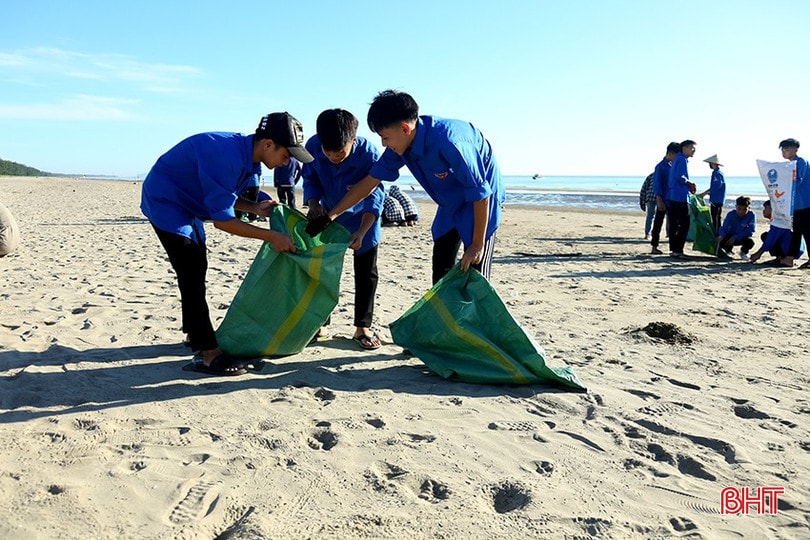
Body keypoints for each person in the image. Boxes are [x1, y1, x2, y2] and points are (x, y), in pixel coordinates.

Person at [140, 112, 314, 375]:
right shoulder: (225, 155)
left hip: (192, 202)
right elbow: (224, 222)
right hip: (166, 200)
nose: (286, 162)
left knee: (198, 267)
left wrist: (255, 207)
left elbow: (225, 197)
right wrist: (271, 236)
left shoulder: (251, 159)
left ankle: (194, 335)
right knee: (191, 269)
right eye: (286, 155)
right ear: (268, 144)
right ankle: (209, 353)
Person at [306, 89, 504, 284]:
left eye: (385, 137)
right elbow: (368, 183)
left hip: (482, 204)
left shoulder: (450, 142)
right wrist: (330, 216)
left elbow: (480, 193)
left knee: (477, 275)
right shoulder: (400, 146)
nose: (383, 144)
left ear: (404, 128)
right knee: (441, 269)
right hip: (450, 203)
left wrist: (478, 244)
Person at [302, 108, 385, 350]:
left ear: (354, 141)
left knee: (366, 272)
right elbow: (310, 178)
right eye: (327, 152)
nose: (332, 157)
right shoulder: (313, 146)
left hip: (363, 219)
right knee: (324, 270)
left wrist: (362, 231)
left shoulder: (368, 154)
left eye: (339, 152)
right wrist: (314, 204)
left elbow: (375, 196)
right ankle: (321, 323)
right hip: (329, 216)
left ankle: (362, 326)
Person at [780, 138, 810, 268]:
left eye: (786, 149)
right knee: (797, 232)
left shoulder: (801, 162)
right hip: (797, 205)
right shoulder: (789, 165)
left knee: (807, 232)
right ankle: (790, 258)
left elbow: (798, 180)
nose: (783, 151)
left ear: (795, 149)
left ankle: (791, 258)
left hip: (806, 203)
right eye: (782, 149)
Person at [666, 140, 698, 259]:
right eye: (692, 148)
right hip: (679, 196)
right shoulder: (681, 159)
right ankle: (678, 250)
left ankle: (674, 250)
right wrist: (689, 183)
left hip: (674, 195)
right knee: (684, 223)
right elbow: (679, 177)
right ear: (684, 148)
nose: (694, 150)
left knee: (674, 223)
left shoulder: (677, 159)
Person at [749, 200, 804, 264]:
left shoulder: (779, 221)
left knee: (766, 236)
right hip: (797, 250)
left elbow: (770, 240)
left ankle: (780, 258)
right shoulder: (784, 218)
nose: (763, 211)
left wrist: (758, 254)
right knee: (768, 235)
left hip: (790, 250)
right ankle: (781, 258)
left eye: (765, 208)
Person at [649, 142, 680, 255]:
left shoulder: (672, 166)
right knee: (658, 223)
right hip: (663, 199)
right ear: (671, 154)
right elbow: (657, 185)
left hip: (672, 199)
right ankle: (654, 246)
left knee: (673, 224)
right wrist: (659, 200)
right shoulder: (660, 167)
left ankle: (673, 248)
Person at [699, 154, 726, 234]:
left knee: (716, 218)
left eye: (710, 163)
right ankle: (716, 233)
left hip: (717, 199)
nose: (709, 165)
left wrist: (706, 193)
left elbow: (717, 186)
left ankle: (717, 234)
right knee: (715, 217)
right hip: (716, 198)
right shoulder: (716, 172)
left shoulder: (717, 173)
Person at [639, 172, 655, 239]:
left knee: (650, 216)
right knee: (668, 215)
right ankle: (668, 233)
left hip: (650, 197)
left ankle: (647, 234)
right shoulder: (667, 173)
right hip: (659, 197)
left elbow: (644, 188)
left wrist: (642, 200)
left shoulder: (651, 175)